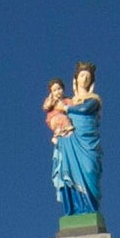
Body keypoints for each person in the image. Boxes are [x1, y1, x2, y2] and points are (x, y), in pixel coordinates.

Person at [43, 64, 104, 223]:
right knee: (68, 172)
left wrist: (66, 109)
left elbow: (84, 110)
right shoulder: (66, 102)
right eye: (82, 76)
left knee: (89, 170)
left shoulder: (93, 100)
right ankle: (75, 209)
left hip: (87, 141)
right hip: (69, 140)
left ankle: (90, 208)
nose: (85, 79)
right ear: (75, 80)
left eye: (88, 77)